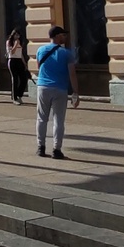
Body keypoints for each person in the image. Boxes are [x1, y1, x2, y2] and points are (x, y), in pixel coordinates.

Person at [35, 25, 79, 161]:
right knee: (58, 120)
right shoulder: (66, 53)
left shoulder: (40, 50)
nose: (65, 37)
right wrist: (75, 92)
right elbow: (72, 74)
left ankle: (41, 147)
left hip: (43, 86)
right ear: (57, 36)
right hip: (60, 88)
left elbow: (39, 66)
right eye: (63, 35)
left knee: (41, 118)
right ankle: (56, 150)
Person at [7, 29, 30, 105]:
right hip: (12, 61)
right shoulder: (9, 42)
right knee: (15, 79)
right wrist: (16, 44)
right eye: (16, 34)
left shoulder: (20, 42)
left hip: (19, 60)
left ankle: (19, 95)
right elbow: (11, 52)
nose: (17, 36)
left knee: (24, 79)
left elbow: (21, 54)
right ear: (13, 35)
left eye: (18, 35)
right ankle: (14, 98)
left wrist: (24, 63)